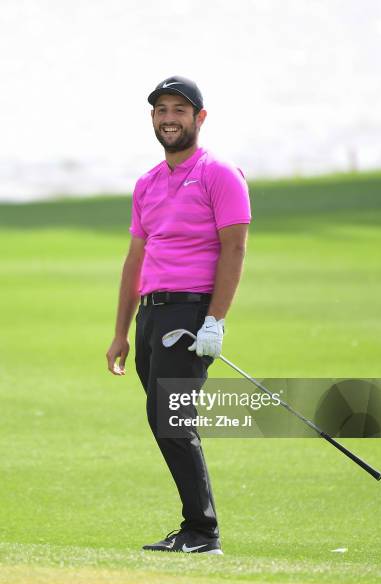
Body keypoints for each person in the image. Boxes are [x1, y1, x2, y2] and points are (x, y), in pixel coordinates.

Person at [106, 76, 251, 554]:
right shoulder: (147, 182)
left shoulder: (220, 173)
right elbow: (135, 260)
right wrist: (121, 332)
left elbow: (234, 250)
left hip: (190, 312)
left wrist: (215, 320)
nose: (169, 118)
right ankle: (198, 528)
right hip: (152, 314)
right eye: (161, 110)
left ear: (199, 118)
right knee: (164, 416)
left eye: (180, 110)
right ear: (153, 118)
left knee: (171, 417)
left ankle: (202, 531)